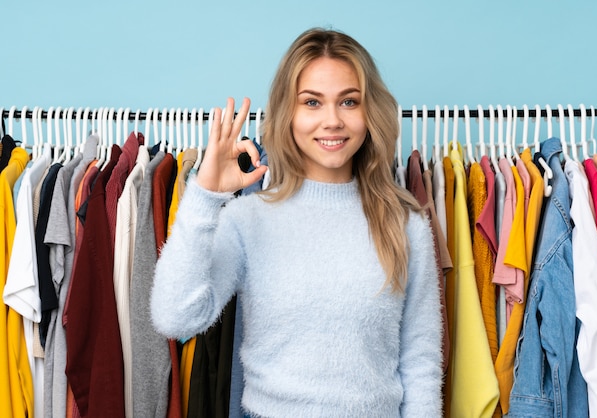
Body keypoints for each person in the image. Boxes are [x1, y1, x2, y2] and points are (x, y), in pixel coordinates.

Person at [151, 27, 443, 417]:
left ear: (369, 112)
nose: (332, 120)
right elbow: (175, 317)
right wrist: (205, 197)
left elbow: (420, 365)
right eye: (312, 102)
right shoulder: (248, 218)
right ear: (288, 113)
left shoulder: (405, 225)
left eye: (349, 102)